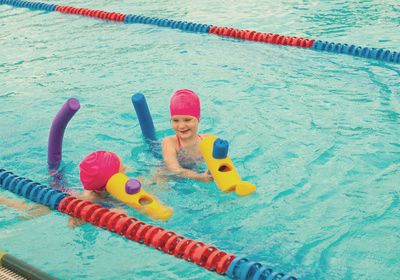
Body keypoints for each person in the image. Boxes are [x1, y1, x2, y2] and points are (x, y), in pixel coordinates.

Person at [161, 89, 213, 183]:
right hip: (168, 173)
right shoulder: (170, 142)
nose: (181, 126)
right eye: (176, 120)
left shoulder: (207, 140)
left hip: (195, 172)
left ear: (198, 119)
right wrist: (198, 177)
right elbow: (174, 169)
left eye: (187, 120)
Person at [67, 150, 127, 228]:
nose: (125, 168)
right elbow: (71, 224)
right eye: (122, 170)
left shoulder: (100, 184)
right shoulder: (89, 199)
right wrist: (107, 216)